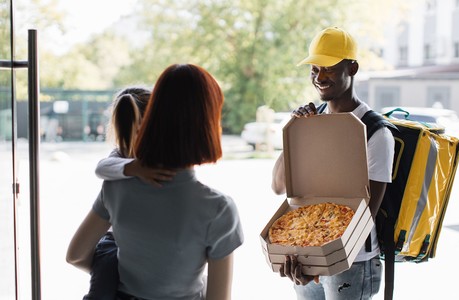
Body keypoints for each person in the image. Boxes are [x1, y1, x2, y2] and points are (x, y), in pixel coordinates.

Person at [67, 63, 244, 300]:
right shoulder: (219, 209)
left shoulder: (116, 187)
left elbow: (76, 255)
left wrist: (123, 273)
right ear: (209, 125)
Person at [271, 26, 395, 300]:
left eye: (328, 68)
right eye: (314, 69)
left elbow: (364, 216)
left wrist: (319, 263)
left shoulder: (376, 132)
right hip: (305, 253)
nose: (319, 76)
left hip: (351, 262)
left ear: (352, 68)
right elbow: (279, 186)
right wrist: (296, 132)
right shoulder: (310, 122)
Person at [84, 86, 176, 299]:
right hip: (116, 241)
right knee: (105, 274)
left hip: (154, 242)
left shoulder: (166, 154)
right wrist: (132, 168)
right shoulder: (122, 154)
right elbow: (101, 167)